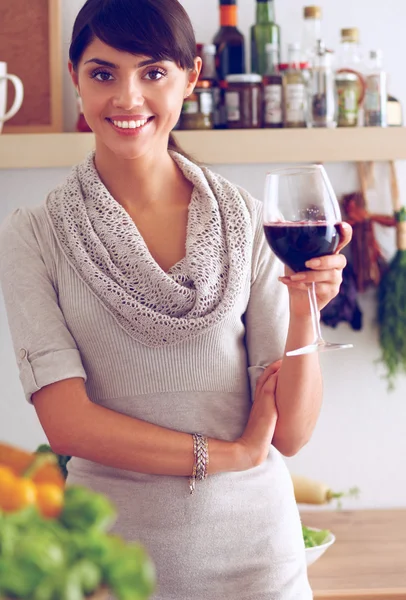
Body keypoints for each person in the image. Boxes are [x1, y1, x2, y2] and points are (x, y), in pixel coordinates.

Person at [0, 0, 351, 598]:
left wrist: (302, 306)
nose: (127, 98)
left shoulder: (247, 220)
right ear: (75, 78)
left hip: (260, 564)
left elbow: (289, 433)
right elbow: (67, 424)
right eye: (103, 73)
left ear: (190, 78)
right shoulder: (33, 234)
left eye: (153, 72)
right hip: (111, 568)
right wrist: (228, 454)